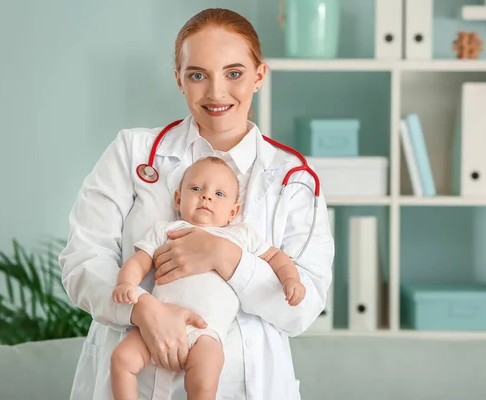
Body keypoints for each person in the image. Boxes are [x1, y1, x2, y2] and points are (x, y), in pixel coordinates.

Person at [58, 7, 334, 400]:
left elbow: (301, 307)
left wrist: (225, 257)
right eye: (197, 74)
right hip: (128, 380)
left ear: (259, 76)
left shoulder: (295, 180)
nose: (216, 92)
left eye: (234, 73)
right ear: (179, 80)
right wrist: (141, 309)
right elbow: (82, 259)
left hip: (243, 388)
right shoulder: (132, 153)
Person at [110, 156, 306, 400]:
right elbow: (139, 260)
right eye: (196, 189)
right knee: (121, 359)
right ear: (178, 199)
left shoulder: (239, 235)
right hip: (158, 322)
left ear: (233, 212)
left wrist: (291, 280)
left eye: (220, 194)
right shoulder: (166, 230)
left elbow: (277, 257)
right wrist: (127, 283)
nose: (206, 196)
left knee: (204, 381)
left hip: (206, 331)